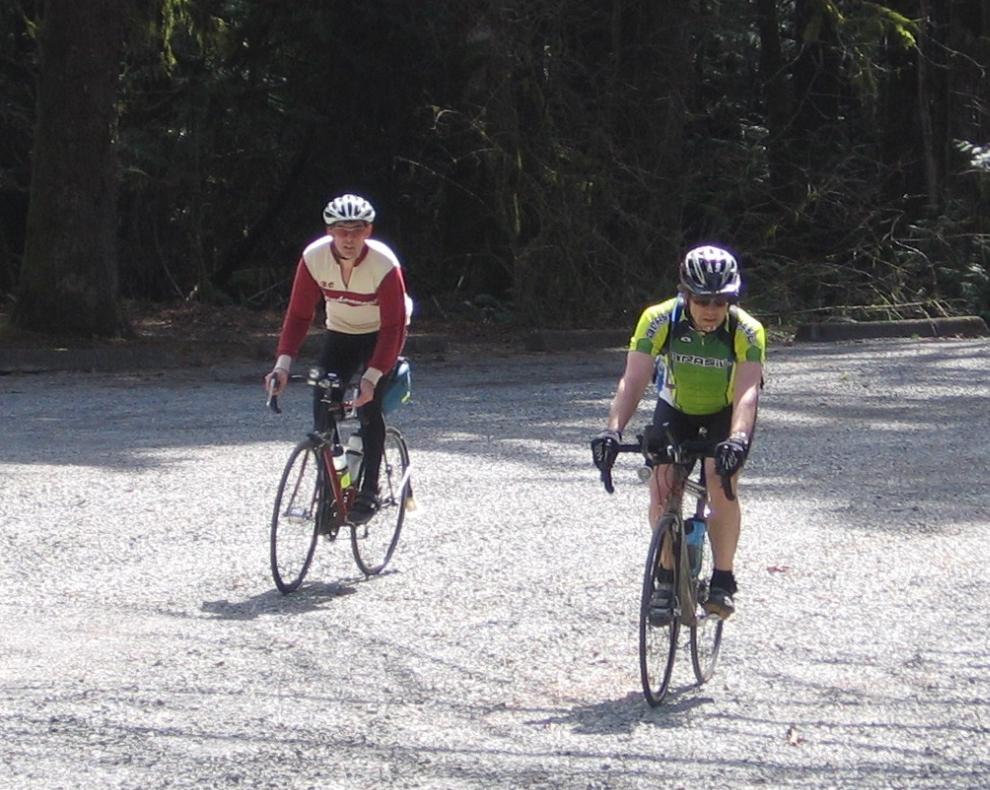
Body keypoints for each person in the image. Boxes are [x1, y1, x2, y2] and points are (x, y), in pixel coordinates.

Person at [591, 245, 766, 620]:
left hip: (725, 414)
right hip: (676, 409)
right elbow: (634, 378)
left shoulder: (748, 330)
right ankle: (667, 578)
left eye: (720, 301)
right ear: (685, 294)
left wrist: (737, 439)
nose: (711, 309)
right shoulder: (658, 319)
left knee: (721, 483)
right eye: (702, 300)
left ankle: (723, 579)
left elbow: (748, 391)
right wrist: (612, 430)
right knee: (662, 486)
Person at [265, 194, 410, 525]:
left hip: (380, 335)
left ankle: (369, 490)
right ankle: (331, 487)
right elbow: (299, 316)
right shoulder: (313, 258)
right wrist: (282, 365)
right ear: (329, 231)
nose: (349, 238)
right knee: (322, 404)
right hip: (341, 334)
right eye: (342, 230)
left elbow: (393, 328)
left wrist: (371, 377)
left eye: (357, 230)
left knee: (369, 408)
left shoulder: (384, 264)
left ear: (368, 231)